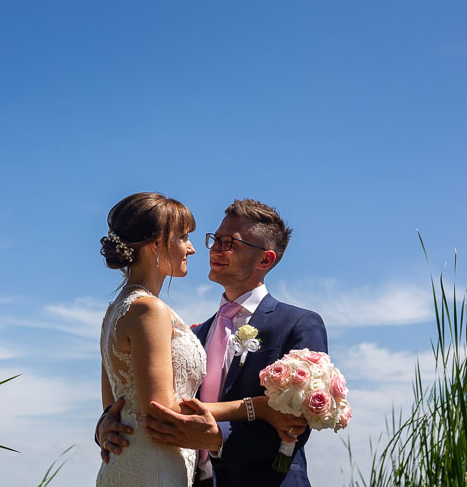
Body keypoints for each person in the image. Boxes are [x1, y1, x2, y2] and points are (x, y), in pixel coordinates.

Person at [97, 199, 328, 487]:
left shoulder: (298, 325)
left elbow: (296, 425)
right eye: (215, 239)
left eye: (229, 242)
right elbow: (144, 401)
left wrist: (218, 437)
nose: (213, 249)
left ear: (264, 260)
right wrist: (106, 424)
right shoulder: (193, 334)